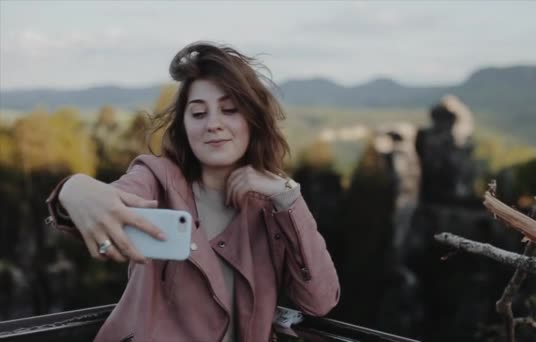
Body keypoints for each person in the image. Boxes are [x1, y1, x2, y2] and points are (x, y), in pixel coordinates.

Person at [45, 41, 340, 342]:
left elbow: (320, 300)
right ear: (184, 126)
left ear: (252, 120)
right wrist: (74, 188)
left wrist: (287, 194)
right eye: (198, 114)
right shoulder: (156, 179)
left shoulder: (272, 206)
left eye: (229, 110)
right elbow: (112, 197)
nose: (213, 124)